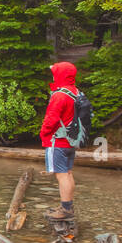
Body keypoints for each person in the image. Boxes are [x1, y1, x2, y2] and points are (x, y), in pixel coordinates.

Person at [39, 61, 79, 225]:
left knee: (61, 175)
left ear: (60, 75)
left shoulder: (59, 95)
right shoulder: (76, 92)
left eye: (55, 72)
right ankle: (67, 206)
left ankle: (65, 210)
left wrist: (43, 133)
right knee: (68, 173)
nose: (53, 75)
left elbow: (51, 119)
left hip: (58, 141)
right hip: (71, 141)